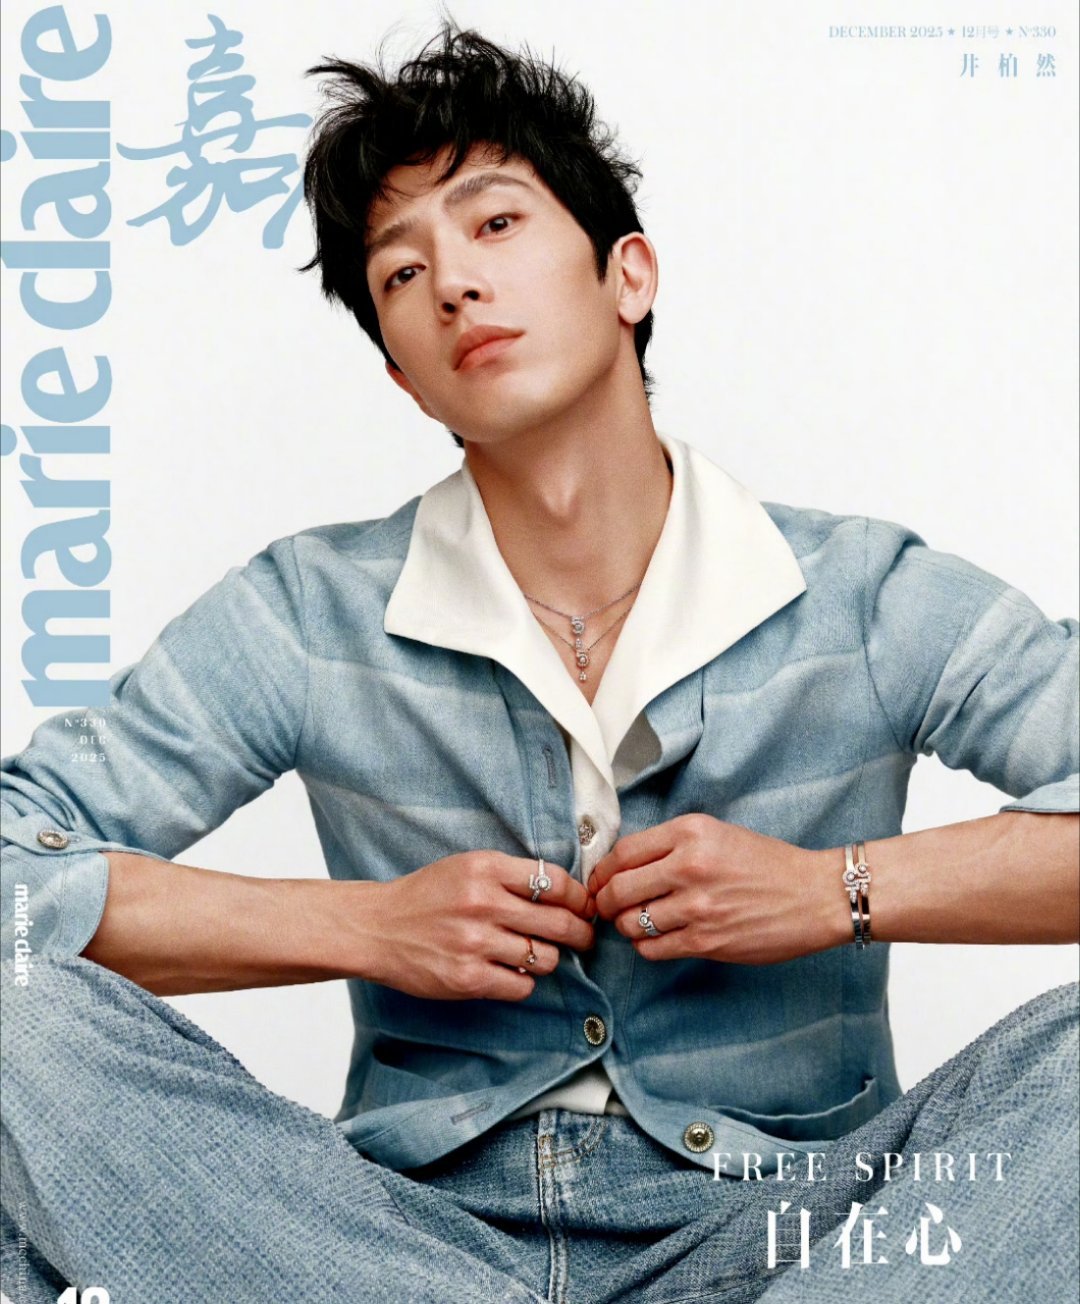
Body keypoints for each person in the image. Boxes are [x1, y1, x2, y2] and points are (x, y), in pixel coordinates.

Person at [1, 25, 1077, 1304]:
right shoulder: (307, 611)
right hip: (397, 1247)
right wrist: (365, 925)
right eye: (403, 272)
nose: (454, 283)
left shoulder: (865, 594)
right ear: (405, 377)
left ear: (629, 275)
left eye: (496, 223)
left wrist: (829, 887)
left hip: (793, 1242)